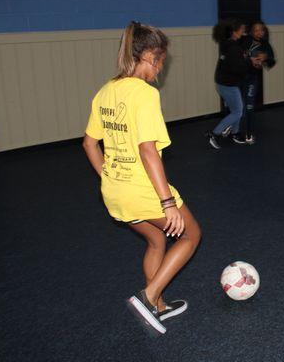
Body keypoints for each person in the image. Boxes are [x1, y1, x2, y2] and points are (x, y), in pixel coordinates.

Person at [82, 21, 202, 334]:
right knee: (191, 235)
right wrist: (167, 203)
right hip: (143, 190)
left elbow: (89, 144)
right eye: (160, 61)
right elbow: (148, 150)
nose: (160, 69)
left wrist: (109, 176)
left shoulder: (106, 90)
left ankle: (159, 306)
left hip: (114, 190)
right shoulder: (144, 94)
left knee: (156, 239)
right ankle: (148, 297)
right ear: (149, 55)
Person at [206, 18, 260, 149]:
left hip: (224, 83)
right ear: (235, 32)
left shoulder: (228, 44)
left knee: (236, 109)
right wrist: (251, 62)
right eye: (242, 30)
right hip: (228, 85)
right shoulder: (233, 47)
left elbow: (236, 60)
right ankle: (214, 134)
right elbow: (238, 67)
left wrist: (247, 59)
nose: (244, 31)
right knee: (237, 112)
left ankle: (235, 134)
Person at [240, 21, 276, 144]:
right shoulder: (244, 40)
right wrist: (249, 58)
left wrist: (265, 58)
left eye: (261, 30)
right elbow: (236, 55)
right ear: (251, 31)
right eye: (256, 30)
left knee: (249, 106)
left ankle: (249, 133)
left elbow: (272, 62)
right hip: (239, 78)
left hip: (252, 79)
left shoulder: (266, 45)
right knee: (238, 108)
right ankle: (233, 129)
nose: (259, 32)